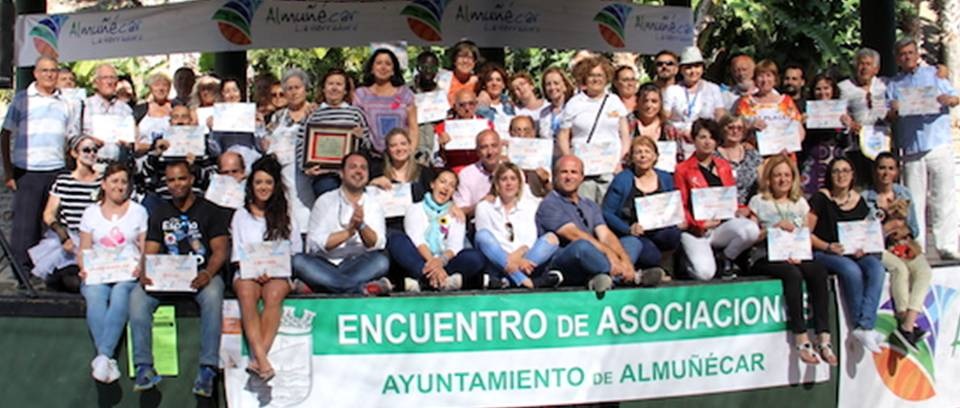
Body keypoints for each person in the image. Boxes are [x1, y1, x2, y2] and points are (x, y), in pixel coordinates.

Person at [129, 160, 229, 397]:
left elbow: (220, 251)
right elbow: (151, 249)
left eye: (182, 178)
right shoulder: (160, 213)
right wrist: (145, 271)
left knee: (214, 294)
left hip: (201, 276)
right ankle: (144, 367)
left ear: (192, 179)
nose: (177, 184)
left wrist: (207, 273)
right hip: (168, 276)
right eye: (171, 180)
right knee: (137, 297)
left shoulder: (211, 210)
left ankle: (208, 368)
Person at [746, 155, 834, 365]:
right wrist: (771, 230)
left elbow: (805, 235)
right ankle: (801, 337)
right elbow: (750, 237)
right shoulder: (758, 202)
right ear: (769, 179)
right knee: (792, 275)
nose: (782, 179)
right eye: (777, 175)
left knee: (818, 271)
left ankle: (824, 337)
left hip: (795, 254)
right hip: (765, 255)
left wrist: (804, 249)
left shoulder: (800, 203)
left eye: (787, 175)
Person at [2, 56, 80, 272]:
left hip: (56, 170)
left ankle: (49, 270)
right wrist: (8, 171)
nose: (49, 75)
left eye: (53, 71)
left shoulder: (67, 102)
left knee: (52, 224)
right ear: (35, 73)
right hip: (28, 171)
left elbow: (72, 137)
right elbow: (5, 133)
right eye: (44, 71)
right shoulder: (21, 99)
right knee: (25, 227)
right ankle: (22, 273)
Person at [887, 38, 960, 259]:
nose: (907, 57)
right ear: (897, 58)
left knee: (943, 197)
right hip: (911, 149)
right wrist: (894, 110)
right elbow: (888, 114)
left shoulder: (934, 75)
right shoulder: (894, 84)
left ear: (917, 53)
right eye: (902, 54)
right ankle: (916, 246)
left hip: (938, 143)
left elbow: (955, 98)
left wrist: (949, 99)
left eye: (910, 52)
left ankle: (946, 246)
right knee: (914, 202)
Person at [230, 155, 301, 380]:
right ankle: (261, 359)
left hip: (278, 273)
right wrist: (254, 270)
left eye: (268, 183)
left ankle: (258, 358)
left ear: (276, 186)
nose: (263, 187)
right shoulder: (241, 215)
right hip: (247, 271)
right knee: (247, 291)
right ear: (251, 185)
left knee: (274, 293)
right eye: (259, 182)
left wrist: (272, 270)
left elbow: (295, 249)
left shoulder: (286, 214)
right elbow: (238, 252)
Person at [77, 163, 147, 383]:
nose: (120, 186)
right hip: (98, 272)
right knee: (94, 295)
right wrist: (83, 268)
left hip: (128, 271)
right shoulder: (90, 213)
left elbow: (145, 247)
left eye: (124, 182)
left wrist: (141, 267)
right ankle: (106, 359)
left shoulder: (139, 211)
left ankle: (103, 356)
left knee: (120, 294)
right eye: (115, 181)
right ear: (104, 184)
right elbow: (84, 248)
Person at [807, 158, 885, 353]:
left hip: (854, 252)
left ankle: (865, 324)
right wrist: (828, 246)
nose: (841, 175)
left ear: (852, 175)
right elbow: (806, 233)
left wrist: (863, 246)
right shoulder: (821, 198)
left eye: (845, 171)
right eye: (836, 171)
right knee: (851, 271)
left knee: (877, 268)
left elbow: (865, 232)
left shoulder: (859, 200)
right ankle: (863, 326)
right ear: (829, 176)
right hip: (824, 251)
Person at [537, 155, 640, 296]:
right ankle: (627, 277)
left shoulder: (589, 205)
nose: (569, 177)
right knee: (582, 246)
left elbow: (605, 234)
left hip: (596, 255)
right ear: (555, 176)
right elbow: (575, 235)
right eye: (564, 172)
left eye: (574, 172)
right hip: (566, 260)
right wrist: (610, 255)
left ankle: (610, 275)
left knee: (632, 242)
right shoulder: (550, 204)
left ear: (581, 177)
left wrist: (625, 261)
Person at [293, 153, 391, 294]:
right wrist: (348, 233)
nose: (358, 171)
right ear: (342, 173)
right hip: (324, 265)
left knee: (381, 261)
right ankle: (360, 289)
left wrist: (361, 225)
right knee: (298, 261)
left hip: (359, 264)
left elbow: (377, 244)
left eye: (363, 168)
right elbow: (314, 244)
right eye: (353, 167)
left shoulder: (373, 204)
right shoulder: (325, 201)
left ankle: (320, 287)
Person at [862, 152, 931, 351]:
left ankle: (908, 324)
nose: (886, 172)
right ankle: (905, 321)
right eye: (882, 168)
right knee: (900, 270)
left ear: (897, 171)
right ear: (875, 171)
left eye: (891, 168)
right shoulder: (866, 197)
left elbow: (915, 228)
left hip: (906, 244)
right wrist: (887, 228)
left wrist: (903, 229)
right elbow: (864, 235)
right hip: (880, 247)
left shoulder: (904, 193)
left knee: (924, 271)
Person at [674, 119, 759, 280]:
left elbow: (729, 197)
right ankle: (685, 260)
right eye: (702, 137)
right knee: (705, 273)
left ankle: (726, 257)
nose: (707, 142)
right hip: (697, 230)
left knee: (751, 230)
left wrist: (740, 208)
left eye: (712, 138)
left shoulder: (723, 166)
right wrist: (698, 224)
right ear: (694, 139)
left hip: (721, 226)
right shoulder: (682, 169)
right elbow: (681, 204)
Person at [387, 170, 486, 291]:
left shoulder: (456, 214)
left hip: (445, 261)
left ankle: (424, 282)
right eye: (443, 182)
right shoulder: (415, 208)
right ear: (433, 184)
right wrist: (432, 263)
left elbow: (454, 246)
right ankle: (442, 281)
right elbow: (417, 239)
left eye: (451, 185)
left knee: (476, 257)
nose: (446, 188)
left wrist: (440, 262)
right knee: (396, 240)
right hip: (420, 258)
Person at [602, 137, 680, 282]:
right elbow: (607, 212)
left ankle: (665, 267)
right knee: (651, 255)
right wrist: (628, 229)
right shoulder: (622, 179)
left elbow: (673, 205)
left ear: (655, 156)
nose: (643, 155)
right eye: (638, 152)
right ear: (632, 157)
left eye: (647, 152)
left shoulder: (665, 178)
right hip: (635, 233)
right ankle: (648, 270)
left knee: (674, 234)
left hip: (659, 229)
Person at [31, 135, 102, 292]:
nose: (91, 154)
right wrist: (63, 236)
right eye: (86, 150)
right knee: (72, 281)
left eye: (94, 150)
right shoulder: (64, 182)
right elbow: (49, 214)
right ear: (74, 153)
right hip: (71, 238)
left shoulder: (102, 181)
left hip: (96, 239)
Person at [556, 56, 631, 203]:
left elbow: (625, 136)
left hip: (610, 168)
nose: (596, 79)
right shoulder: (574, 103)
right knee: (584, 210)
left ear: (606, 78)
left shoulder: (614, 101)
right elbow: (563, 135)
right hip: (584, 170)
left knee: (609, 211)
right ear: (585, 78)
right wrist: (570, 161)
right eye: (591, 75)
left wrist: (620, 160)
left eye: (599, 75)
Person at [475, 162, 561, 289]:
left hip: (525, 257)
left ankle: (509, 280)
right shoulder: (484, 207)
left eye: (513, 179)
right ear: (497, 184)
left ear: (519, 184)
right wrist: (508, 258)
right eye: (504, 179)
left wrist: (517, 258)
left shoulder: (530, 206)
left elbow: (530, 239)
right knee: (482, 236)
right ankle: (523, 280)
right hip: (497, 260)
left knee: (552, 238)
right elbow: (488, 243)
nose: (509, 183)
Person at [299, 68, 371, 197]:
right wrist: (306, 167)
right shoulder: (313, 114)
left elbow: (368, 144)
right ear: (323, 88)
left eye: (339, 84)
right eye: (330, 84)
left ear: (345, 90)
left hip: (352, 175)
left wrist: (361, 137)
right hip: (324, 175)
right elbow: (301, 140)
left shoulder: (356, 114)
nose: (334, 88)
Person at [267, 68, 316, 229]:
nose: (294, 92)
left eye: (297, 87)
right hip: (284, 177)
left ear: (305, 89)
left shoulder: (316, 112)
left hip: (310, 177)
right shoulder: (278, 116)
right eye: (289, 88)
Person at [838, 48, 890, 187]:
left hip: (882, 143)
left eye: (868, 64)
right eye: (861, 64)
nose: (864, 68)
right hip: (856, 145)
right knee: (859, 186)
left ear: (876, 69)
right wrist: (849, 124)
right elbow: (840, 113)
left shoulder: (885, 85)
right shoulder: (844, 87)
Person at [354, 48, 418, 156]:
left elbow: (413, 128)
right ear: (372, 69)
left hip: (401, 155)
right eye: (379, 63)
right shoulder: (361, 95)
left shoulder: (405, 94)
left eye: (388, 64)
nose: (383, 67)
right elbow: (356, 124)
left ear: (393, 70)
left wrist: (410, 153)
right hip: (371, 157)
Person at [735, 59, 805, 156]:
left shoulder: (786, 101)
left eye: (769, 75)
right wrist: (750, 126)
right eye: (761, 76)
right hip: (756, 156)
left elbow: (799, 129)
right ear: (755, 79)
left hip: (785, 156)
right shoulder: (746, 102)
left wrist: (790, 147)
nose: (765, 80)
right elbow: (736, 129)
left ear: (775, 79)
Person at [369, 128, 435, 231]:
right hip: (388, 227)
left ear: (410, 146)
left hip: (420, 227)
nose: (399, 149)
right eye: (393, 145)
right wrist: (372, 184)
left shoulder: (424, 172)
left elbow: (435, 199)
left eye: (403, 144)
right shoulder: (377, 171)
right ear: (388, 150)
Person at [663, 47, 726, 149]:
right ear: (681, 70)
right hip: (678, 140)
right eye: (688, 67)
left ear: (702, 68)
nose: (693, 71)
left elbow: (720, 117)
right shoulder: (672, 90)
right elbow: (665, 117)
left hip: (705, 141)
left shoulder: (713, 89)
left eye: (697, 66)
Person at [800, 73, 853, 194]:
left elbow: (846, 144)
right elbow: (801, 144)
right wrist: (801, 126)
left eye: (826, 88)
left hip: (835, 164)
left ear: (833, 90)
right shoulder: (807, 111)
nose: (822, 92)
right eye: (818, 89)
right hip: (812, 164)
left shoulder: (841, 111)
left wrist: (846, 128)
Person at [83, 63, 135, 163]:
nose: (110, 82)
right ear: (96, 83)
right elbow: (74, 135)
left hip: (117, 167)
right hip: (92, 165)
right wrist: (89, 140)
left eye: (113, 78)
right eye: (105, 78)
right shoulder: (84, 106)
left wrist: (128, 142)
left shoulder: (125, 109)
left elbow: (132, 141)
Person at [435, 89, 493, 171]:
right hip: (453, 171)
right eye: (462, 105)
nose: (467, 108)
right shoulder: (442, 127)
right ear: (455, 106)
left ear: (476, 105)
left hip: (481, 170)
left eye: (471, 104)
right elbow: (437, 160)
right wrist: (441, 148)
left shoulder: (486, 125)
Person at [454, 129, 504, 217]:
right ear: (477, 151)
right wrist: (480, 206)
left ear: (501, 147)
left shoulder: (512, 172)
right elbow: (460, 210)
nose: (490, 152)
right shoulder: (466, 174)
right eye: (484, 147)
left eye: (494, 145)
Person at [716, 114, 761, 205]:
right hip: (722, 206)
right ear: (722, 129)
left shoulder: (752, 154)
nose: (735, 131)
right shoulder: (714, 156)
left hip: (749, 206)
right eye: (731, 127)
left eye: (739, 128)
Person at [508, 115, 551, 197]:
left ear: (533, 132)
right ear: (510, 132)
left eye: (526, 130)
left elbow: (552, 194)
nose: (521, 134)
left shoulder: (544, 155)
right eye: (517, 130)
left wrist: (545, 182)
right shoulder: (504, 157)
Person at [134, 73, 173, 155]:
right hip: (144, 158)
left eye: (165, 85)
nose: (161, 88)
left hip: (170, 158)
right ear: (150, 88)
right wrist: (153, 146)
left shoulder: (176, 108)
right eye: (156, 85)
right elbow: (135, 145)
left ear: (169, 88)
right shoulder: (140, 110)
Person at [538, 66, 575, 140]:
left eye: (556, 83)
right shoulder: (544, 113)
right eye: (548, 84)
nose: (552, 87)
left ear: (565, 86)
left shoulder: (573, 108)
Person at [447, 40, 481, 105]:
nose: (465, 61)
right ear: (454, 60)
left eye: (469, 57)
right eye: (461, 56)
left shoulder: (479, 83)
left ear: (475, 62)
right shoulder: (443, 80)